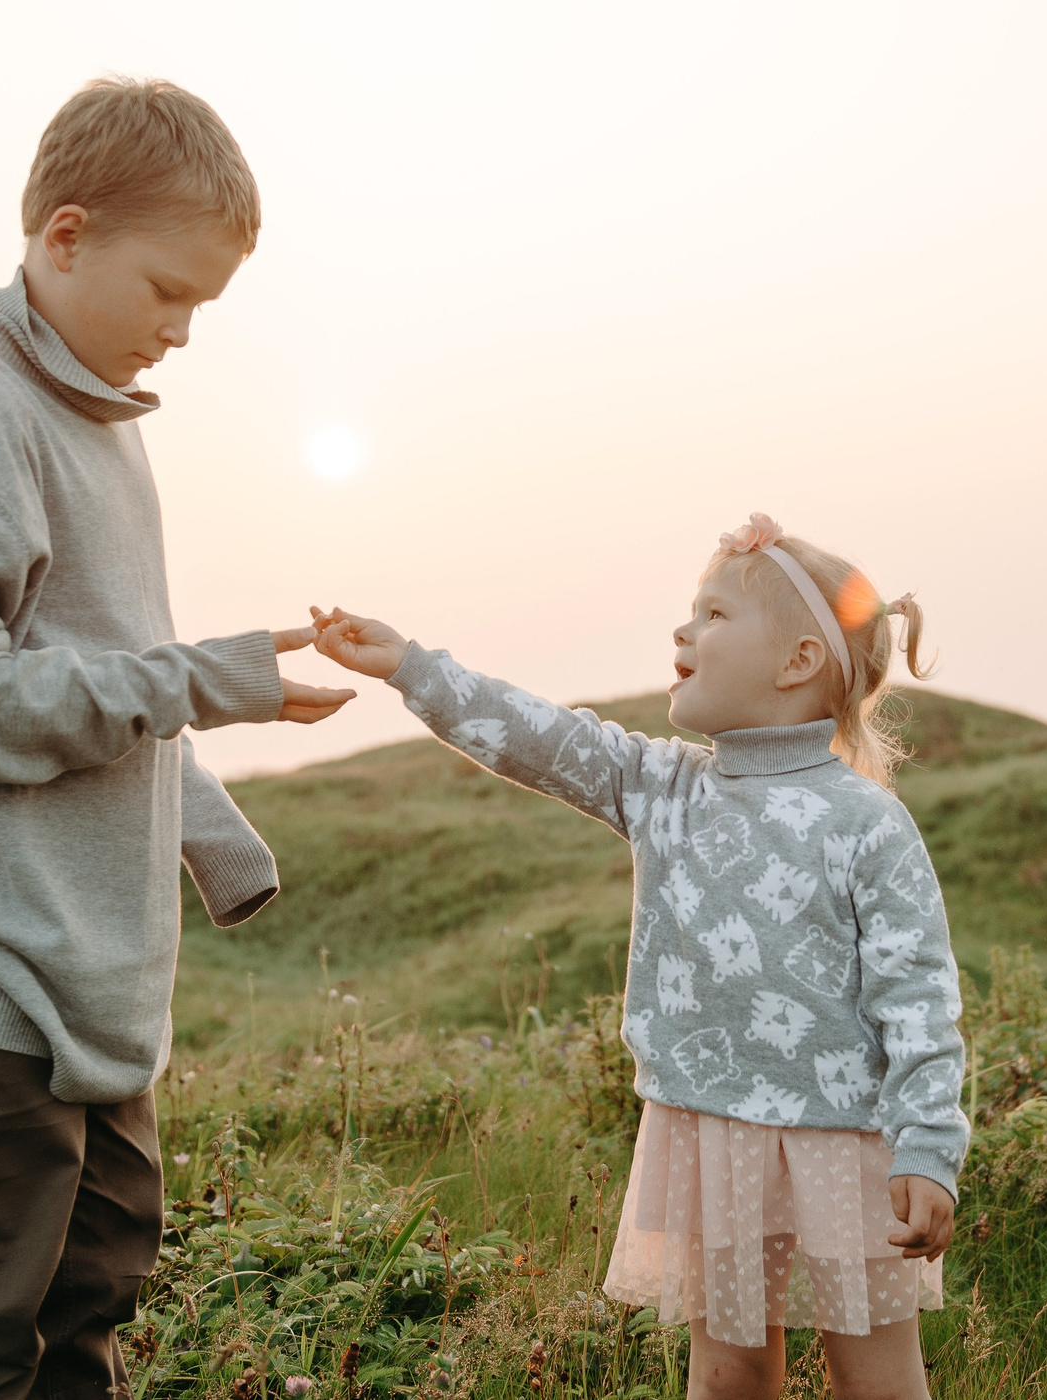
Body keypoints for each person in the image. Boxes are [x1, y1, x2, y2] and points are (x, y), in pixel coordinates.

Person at [0, 75, 354, 1400]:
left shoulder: (103, 426)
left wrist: (216, 838)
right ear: (64, 237)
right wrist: (189, 681)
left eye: (204, 306)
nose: (181, 332)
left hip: (90, 976)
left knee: (92, 1298)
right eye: (167, 291)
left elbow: (112, 666)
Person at [311, 514, 966, 1400]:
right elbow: (541, 737)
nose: (682, 630)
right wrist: (412, 669)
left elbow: (917, 993)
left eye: (714, 613)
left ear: (798, 660)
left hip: (842, 1142)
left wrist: (925, 1145)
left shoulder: (867, 821)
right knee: (729, 1375)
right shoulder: (663, 786)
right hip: (711, 1131)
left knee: (879, 1378)